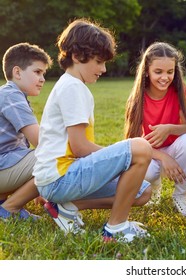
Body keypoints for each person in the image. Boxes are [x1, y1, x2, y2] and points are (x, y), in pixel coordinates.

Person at [33, 18, 153, 242]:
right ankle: (116, 228)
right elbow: (79, 147)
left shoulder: (72, 85)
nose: (103, 69)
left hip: (60, 181)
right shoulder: (72, 87)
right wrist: (118, 160)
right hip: (60, 178)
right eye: (98, 62)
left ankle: (67, 208)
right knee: (141, 148)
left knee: (142, 191)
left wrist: (116, 159)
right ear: (78, 57)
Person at [124, 42, 186, 217]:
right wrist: (163, 157)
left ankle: (181, 195)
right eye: (158, 72)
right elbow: (132, 143)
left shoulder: (180, 91)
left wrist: (169, 129)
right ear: (147, 71)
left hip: (175, 148)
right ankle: (154, 186)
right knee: (147, 173)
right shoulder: (137, 98)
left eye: (170, 72)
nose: (165, 77)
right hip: (150, 153)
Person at [0, 43, 52, 220]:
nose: (43, 78)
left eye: (43, 73)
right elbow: (41, 141)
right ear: (17, 72)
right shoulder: (10, 95)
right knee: (56, 154)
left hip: (5, 165)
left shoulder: (11, 95)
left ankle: (3, 202)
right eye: (37, 72)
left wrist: (38, 184)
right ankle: (8, 209)